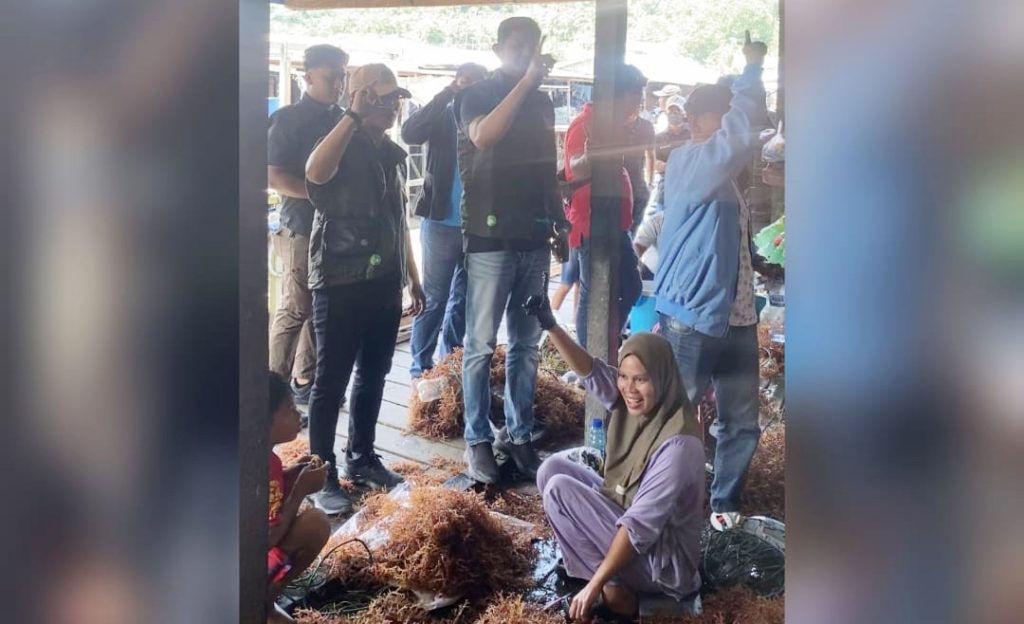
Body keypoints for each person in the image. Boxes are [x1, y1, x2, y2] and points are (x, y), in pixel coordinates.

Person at [523, 296, 705, 622]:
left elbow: (640, 526)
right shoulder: (632, 401)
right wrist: (550, 325)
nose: (629, 388)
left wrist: (597, 584)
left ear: (662, 379)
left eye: (641, 379)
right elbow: (589, 369)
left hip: (665, 566)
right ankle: (607, 577)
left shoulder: (679, 445)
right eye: (624, 376)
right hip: (633, 523)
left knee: (560, 490)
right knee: (551, 469)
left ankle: (621, 594)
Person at [655, 37, 770, 531]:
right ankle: (662, 501)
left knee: (740, 421)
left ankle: (722, 503)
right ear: (698, 123)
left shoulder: (722, 175)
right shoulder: (692, 159)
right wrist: (752, 70)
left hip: (737, 317)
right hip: (694, 315)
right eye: (720, 117)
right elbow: (740, 133)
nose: (728, 126)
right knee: (678, 416)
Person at [304, 63, 426, 515]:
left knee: (374, 374)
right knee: (329, 382)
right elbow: (315, 174)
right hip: (339, 281)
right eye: (383, 99)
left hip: (384, 282)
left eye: (396, 99)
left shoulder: (392, 156)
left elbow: (398, 225)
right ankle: (321, 473)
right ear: (360, 100)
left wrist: (412, 276)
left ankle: (362, 458)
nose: (392, 107)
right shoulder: (338, 142)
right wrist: (352, 117)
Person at [454, 16, 568, 483]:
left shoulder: (542, 101)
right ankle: (477, 439)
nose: (524, 54)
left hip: (534, 238)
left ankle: (518, 435)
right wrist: (524, 83)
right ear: (498, 48)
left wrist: (559, 218)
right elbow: (484, 135)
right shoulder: (476, 93)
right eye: (516, 47)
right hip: (488, 237)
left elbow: (547, 165)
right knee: (480, 345)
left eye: (532, 47)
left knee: (527, 343)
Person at [268, 45, 349, 407]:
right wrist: (318, 195)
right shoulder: (288, 119)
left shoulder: (344, 118)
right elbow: (272, 175)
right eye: (330, 75)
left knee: (322, 303)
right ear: (308, 76)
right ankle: (271, 392)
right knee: (295, 307)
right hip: (300, 226)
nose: (338, 83)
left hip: (336, 227)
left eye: (342, 75)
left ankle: (305, 379)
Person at [401, 62, 489, 384]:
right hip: (440, 221)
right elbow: (409, 133)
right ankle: (420, 367)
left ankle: (451, 358)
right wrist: (446, 94)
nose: (471, 88)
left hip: (477, 222)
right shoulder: (442, 112)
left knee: (464, 297)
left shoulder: (487, 119)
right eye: (466, 82)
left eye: (479, 82)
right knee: (435, 297)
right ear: (457, 82)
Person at [562, 63, 645, 351]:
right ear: (617, 96)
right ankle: (589, 360)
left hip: (615, 221)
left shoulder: (614, 126)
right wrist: (589, 158)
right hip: (592, 222)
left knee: (630, 286)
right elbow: (574, 169)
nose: (636, 107)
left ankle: (605, 343)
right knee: (592, 290)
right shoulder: (583, 125)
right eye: (634, 99)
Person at [266, 373, 331, 624]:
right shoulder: (265, 462)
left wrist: (289, 475)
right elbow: (265, 539)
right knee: (315, 524)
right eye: (290, 409)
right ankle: (260, 601)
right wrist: (300, 490)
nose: (297, 415)